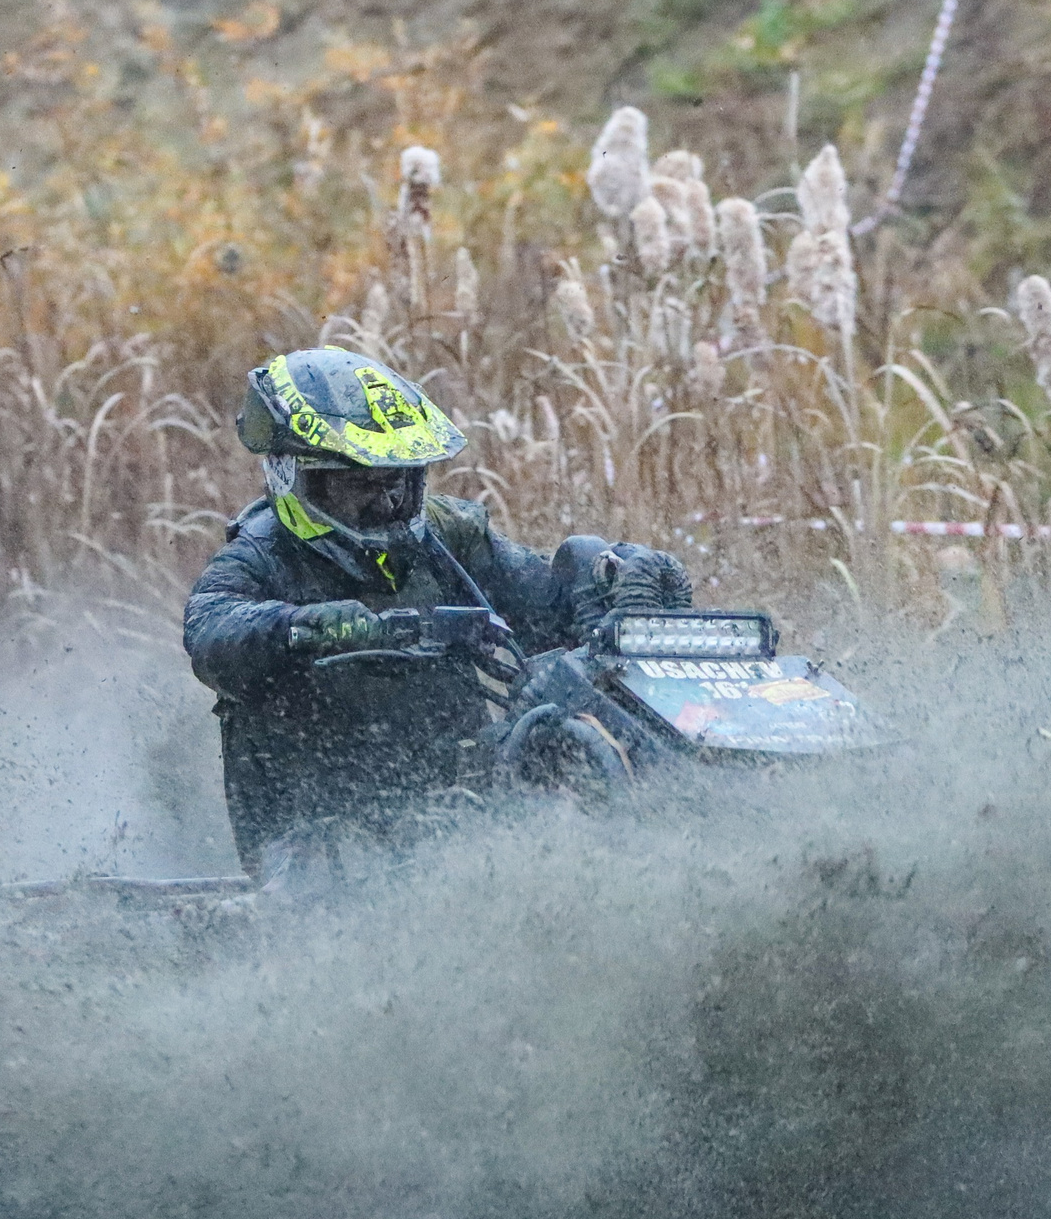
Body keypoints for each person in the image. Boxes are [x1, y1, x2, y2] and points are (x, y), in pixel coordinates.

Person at [183, 348, 690, 874]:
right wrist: (297, 626)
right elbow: (210, 627)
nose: (382, 504)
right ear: (294, 476)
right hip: (319, 836)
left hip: (465, 811)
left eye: (396, 483)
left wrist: (615, 578)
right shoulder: (259, 556)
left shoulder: (448, 539)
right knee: (335, 868)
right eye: (359, 485)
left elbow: (550, 607)